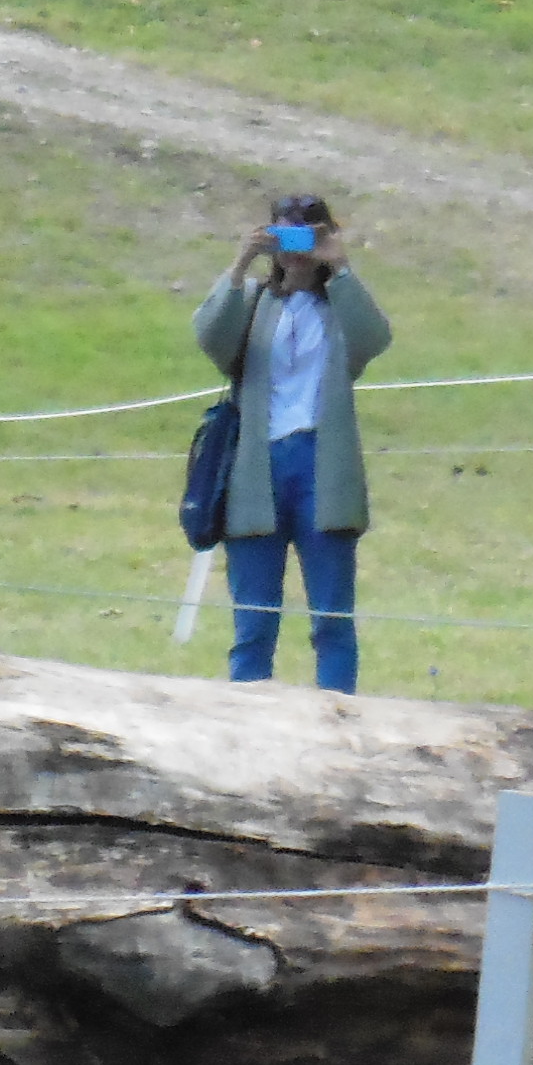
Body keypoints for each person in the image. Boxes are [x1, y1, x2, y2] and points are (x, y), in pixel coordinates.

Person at [193, 192, 392, 693]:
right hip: (256, 471)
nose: (294, 251)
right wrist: (239, 266)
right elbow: (210, 337)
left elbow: (373, 339)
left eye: (306, 237)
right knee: (254, 624)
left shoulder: (338, 307)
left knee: (331, 618)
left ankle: (338, 720)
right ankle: (249, 718)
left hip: (322, 466)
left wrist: (341, 270)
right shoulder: (258, 303)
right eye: (283, 237)